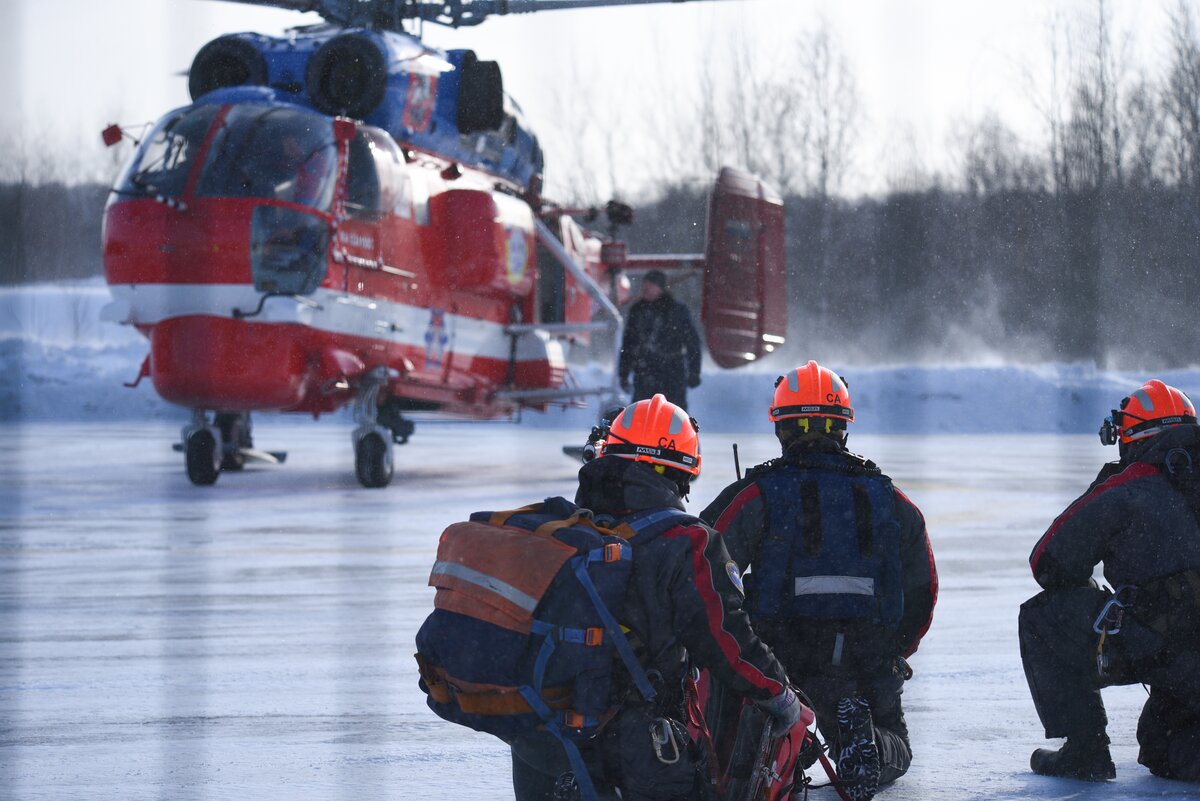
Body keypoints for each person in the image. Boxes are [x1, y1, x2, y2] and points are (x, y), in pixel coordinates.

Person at [510, 394, 805, 801]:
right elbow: (725, 638)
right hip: (634, 745)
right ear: (682, 473)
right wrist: (778, 693)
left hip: (539, 739)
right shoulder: (687, 542)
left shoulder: (561, 529)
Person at [699, 361, 937, 801]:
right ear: (843, 427)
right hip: (867, 659)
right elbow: (923, 590)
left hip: (780, 661)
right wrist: (894, 651)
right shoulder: (889, 497)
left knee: (757, 734)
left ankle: (782, 746)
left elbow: (699, 566)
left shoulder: (757, 493)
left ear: (781, 429)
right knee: (895, 749)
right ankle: (863, 742)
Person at [1020, 379, 1200, 782]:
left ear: (1131, 436)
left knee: (1043, 616)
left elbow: (1048, 562)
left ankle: (1085, 751)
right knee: (1163, 741)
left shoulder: (1130, 484)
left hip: (1168, 648)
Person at [618, 270, 703, 410]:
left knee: (673, 416)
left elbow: (692, 342)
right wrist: (623, 374)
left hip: (672, 373)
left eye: (651, 284)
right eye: (644, 284)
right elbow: (628, 344)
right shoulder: (637, 310)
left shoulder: (677, 310)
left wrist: (695, 371)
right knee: (641, 416)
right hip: (645, 373)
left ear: (660, 287)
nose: (646, 288)